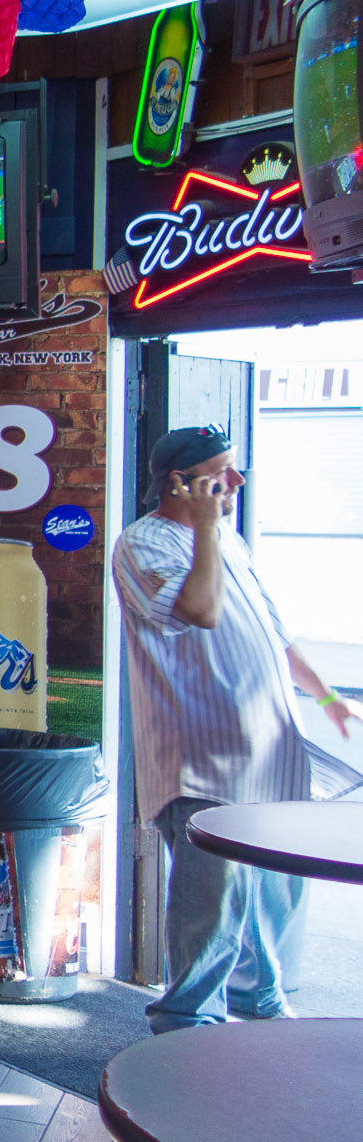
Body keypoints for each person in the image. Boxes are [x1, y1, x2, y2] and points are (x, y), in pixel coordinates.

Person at [114, 425, 358, 1032]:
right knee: (213, 908)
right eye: (223, 472)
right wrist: (204, 530)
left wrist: (328, 697)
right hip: (204, 764)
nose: (239, 481)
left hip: (270, 760)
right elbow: (200, 611)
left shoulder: (228, 539)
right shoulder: (143, 544)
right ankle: (185, 1026)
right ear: (180, 483)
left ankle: (259, 1003)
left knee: (274, 897)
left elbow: (272, 630)